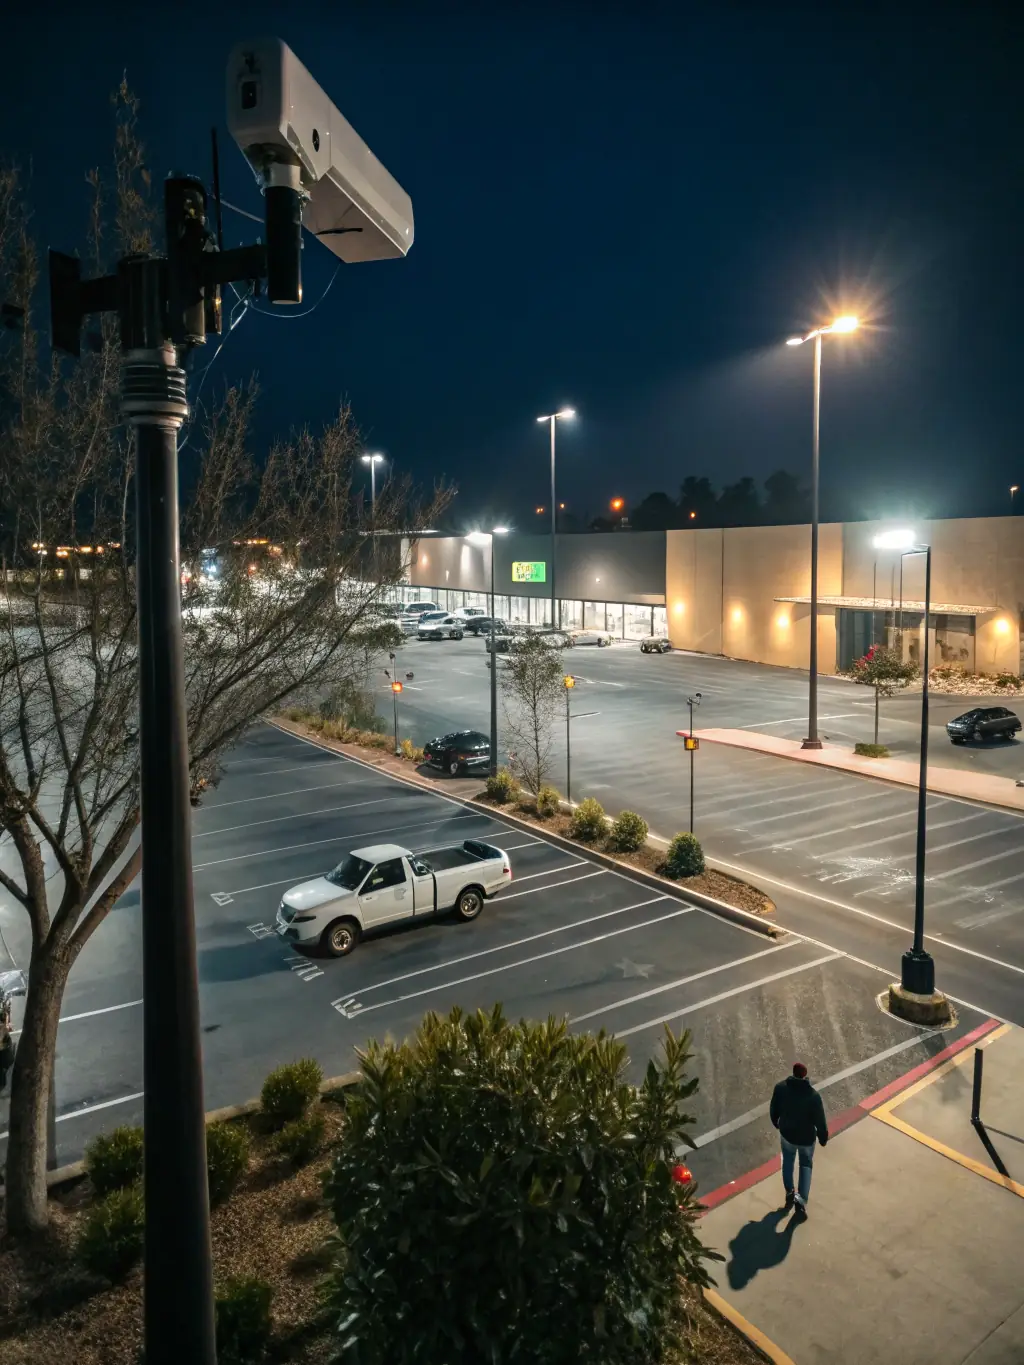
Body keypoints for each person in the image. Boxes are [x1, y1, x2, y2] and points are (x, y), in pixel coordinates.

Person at [770, 1061, 828, 1219]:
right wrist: (823, 1137)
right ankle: (801, 1201)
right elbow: (820, 1121)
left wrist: (776, 1122)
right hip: (806, 1138)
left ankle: (789, 1191)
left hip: (787, 1134)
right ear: (805, 1075)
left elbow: (774, 1109)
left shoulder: (781, 1088)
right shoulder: (813, 1096)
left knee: (787, 1162)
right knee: (805, 1165)